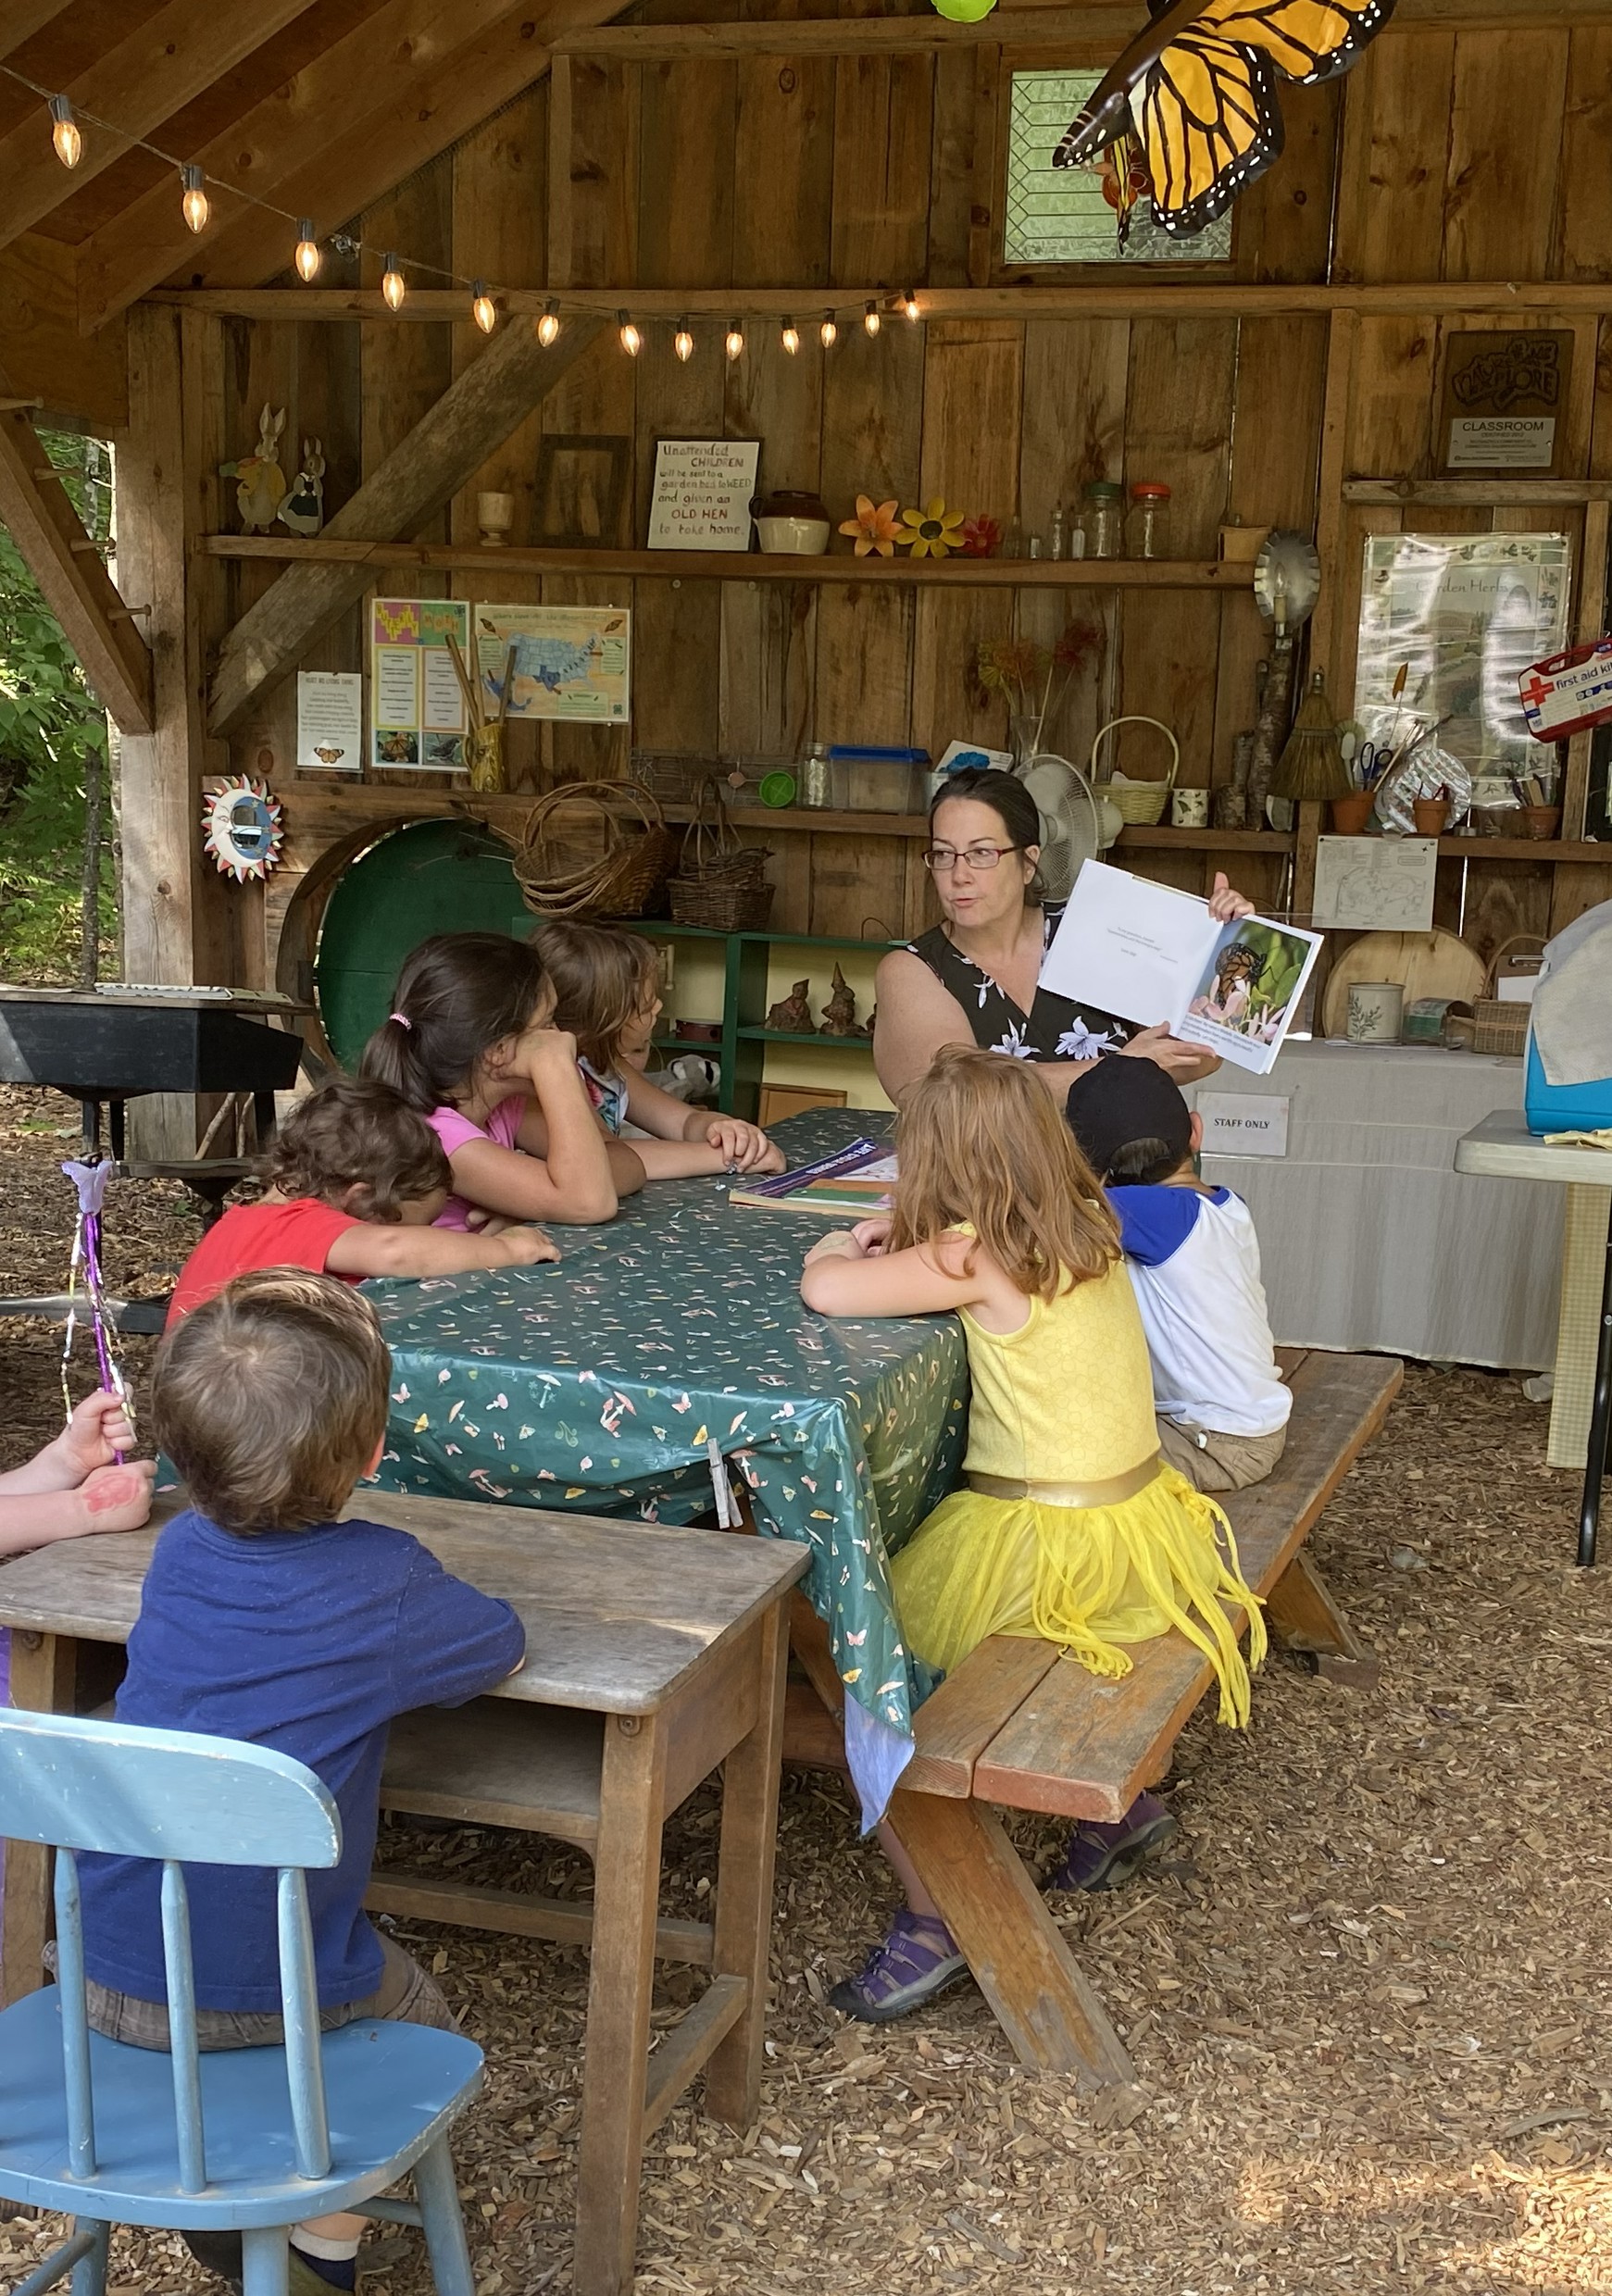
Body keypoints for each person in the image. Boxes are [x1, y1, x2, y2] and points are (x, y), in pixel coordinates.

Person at [76, 1271, 527, 2296]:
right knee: (428, 2029)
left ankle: (225, 2190)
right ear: (371, 1453)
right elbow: (498, 1644)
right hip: (266, 1991)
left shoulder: (181, 1550)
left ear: (183, 1455)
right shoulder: (386, 1579)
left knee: (229, 1965)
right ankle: (319, 2241)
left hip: (99, 1973)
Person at [798, 1047, 1265, 2021]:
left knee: (872, 1660)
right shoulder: (1087, 1223)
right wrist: (917, 1234)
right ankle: (1123, 1815)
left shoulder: (972, 1255)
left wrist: (837, 1242)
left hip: (1046, 1542)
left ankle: (933, 1917)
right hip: (1139, 1529)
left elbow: (830, 1294)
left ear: (939, 1164)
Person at [872, 766, 1256, 1104]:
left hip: (1121, 1178)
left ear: (1029, 862)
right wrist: (1124, 1069)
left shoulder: (1095, 932)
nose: (960, 875)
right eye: (943, 855)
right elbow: (955, 1097)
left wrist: (1223, 946)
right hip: (987, 1185)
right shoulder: (913, 971)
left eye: (983, 853)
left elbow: (1195, 1056)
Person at [1066, 1055, 1290, 1492]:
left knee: (1058, 1462)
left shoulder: (1149, 1214)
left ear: (1084, 1167)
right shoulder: (1224, 1206)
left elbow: (1032, 1218)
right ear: (1196, 1132)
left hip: (1216, 1444)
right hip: (1243, 1426)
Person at [166, 1077, 558, 1325]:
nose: (425, 1237)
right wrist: (506, 1249)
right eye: (418, 1225)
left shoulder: (252, 1223)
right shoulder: (298, 1222)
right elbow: (395, 1251)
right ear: (360, 1198)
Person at [359, 930, 643, 1229]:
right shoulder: (438, 1136)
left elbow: (628, 1164)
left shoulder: (502, 1108)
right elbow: (590, 1201)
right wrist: (555, 1065)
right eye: (548, 1023)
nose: (562, 1036)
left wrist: (527, 1202)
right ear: (498, 1050)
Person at [532, 919, 785, 1179]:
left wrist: (726, 1130)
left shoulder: (603, 1065)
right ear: (600, 1023)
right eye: (644, 1008)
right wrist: (727, 1158)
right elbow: (608, 1158)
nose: (658, 1007)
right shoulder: (538, 1085)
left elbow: (683, 1122)